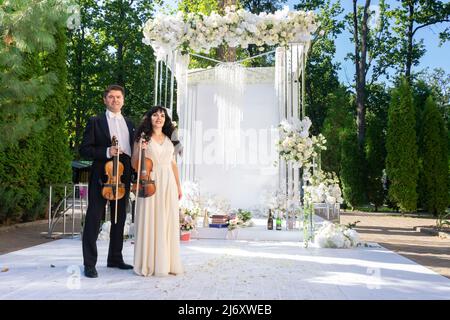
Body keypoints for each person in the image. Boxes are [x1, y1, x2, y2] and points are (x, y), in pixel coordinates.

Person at [79, 84, 135, 278]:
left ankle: (115, 258)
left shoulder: (130, 123)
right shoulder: (95, 121)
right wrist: (106, 151)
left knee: (119, 218)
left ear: (123, 100)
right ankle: (89, 264)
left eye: (118, 97)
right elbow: (85, 149)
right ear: (105, 100)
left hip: (123, 174)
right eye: (111, 97)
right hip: (102, 175)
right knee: (94, 218)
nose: (115, 100)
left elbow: (133, 149)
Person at [132, 106, 184, 277]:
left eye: (162, 115)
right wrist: (140, 148)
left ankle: (166, 263)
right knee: (150, 219)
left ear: (166, 119)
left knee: (167, 220)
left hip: (168, 182)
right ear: (150, 118)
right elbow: (134, 164)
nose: (159, 118)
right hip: (150, 182)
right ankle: (148, 263)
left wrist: (178, 186)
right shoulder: (142, 138)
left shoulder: (171, 139)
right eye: (155, 115)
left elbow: (173, 164)